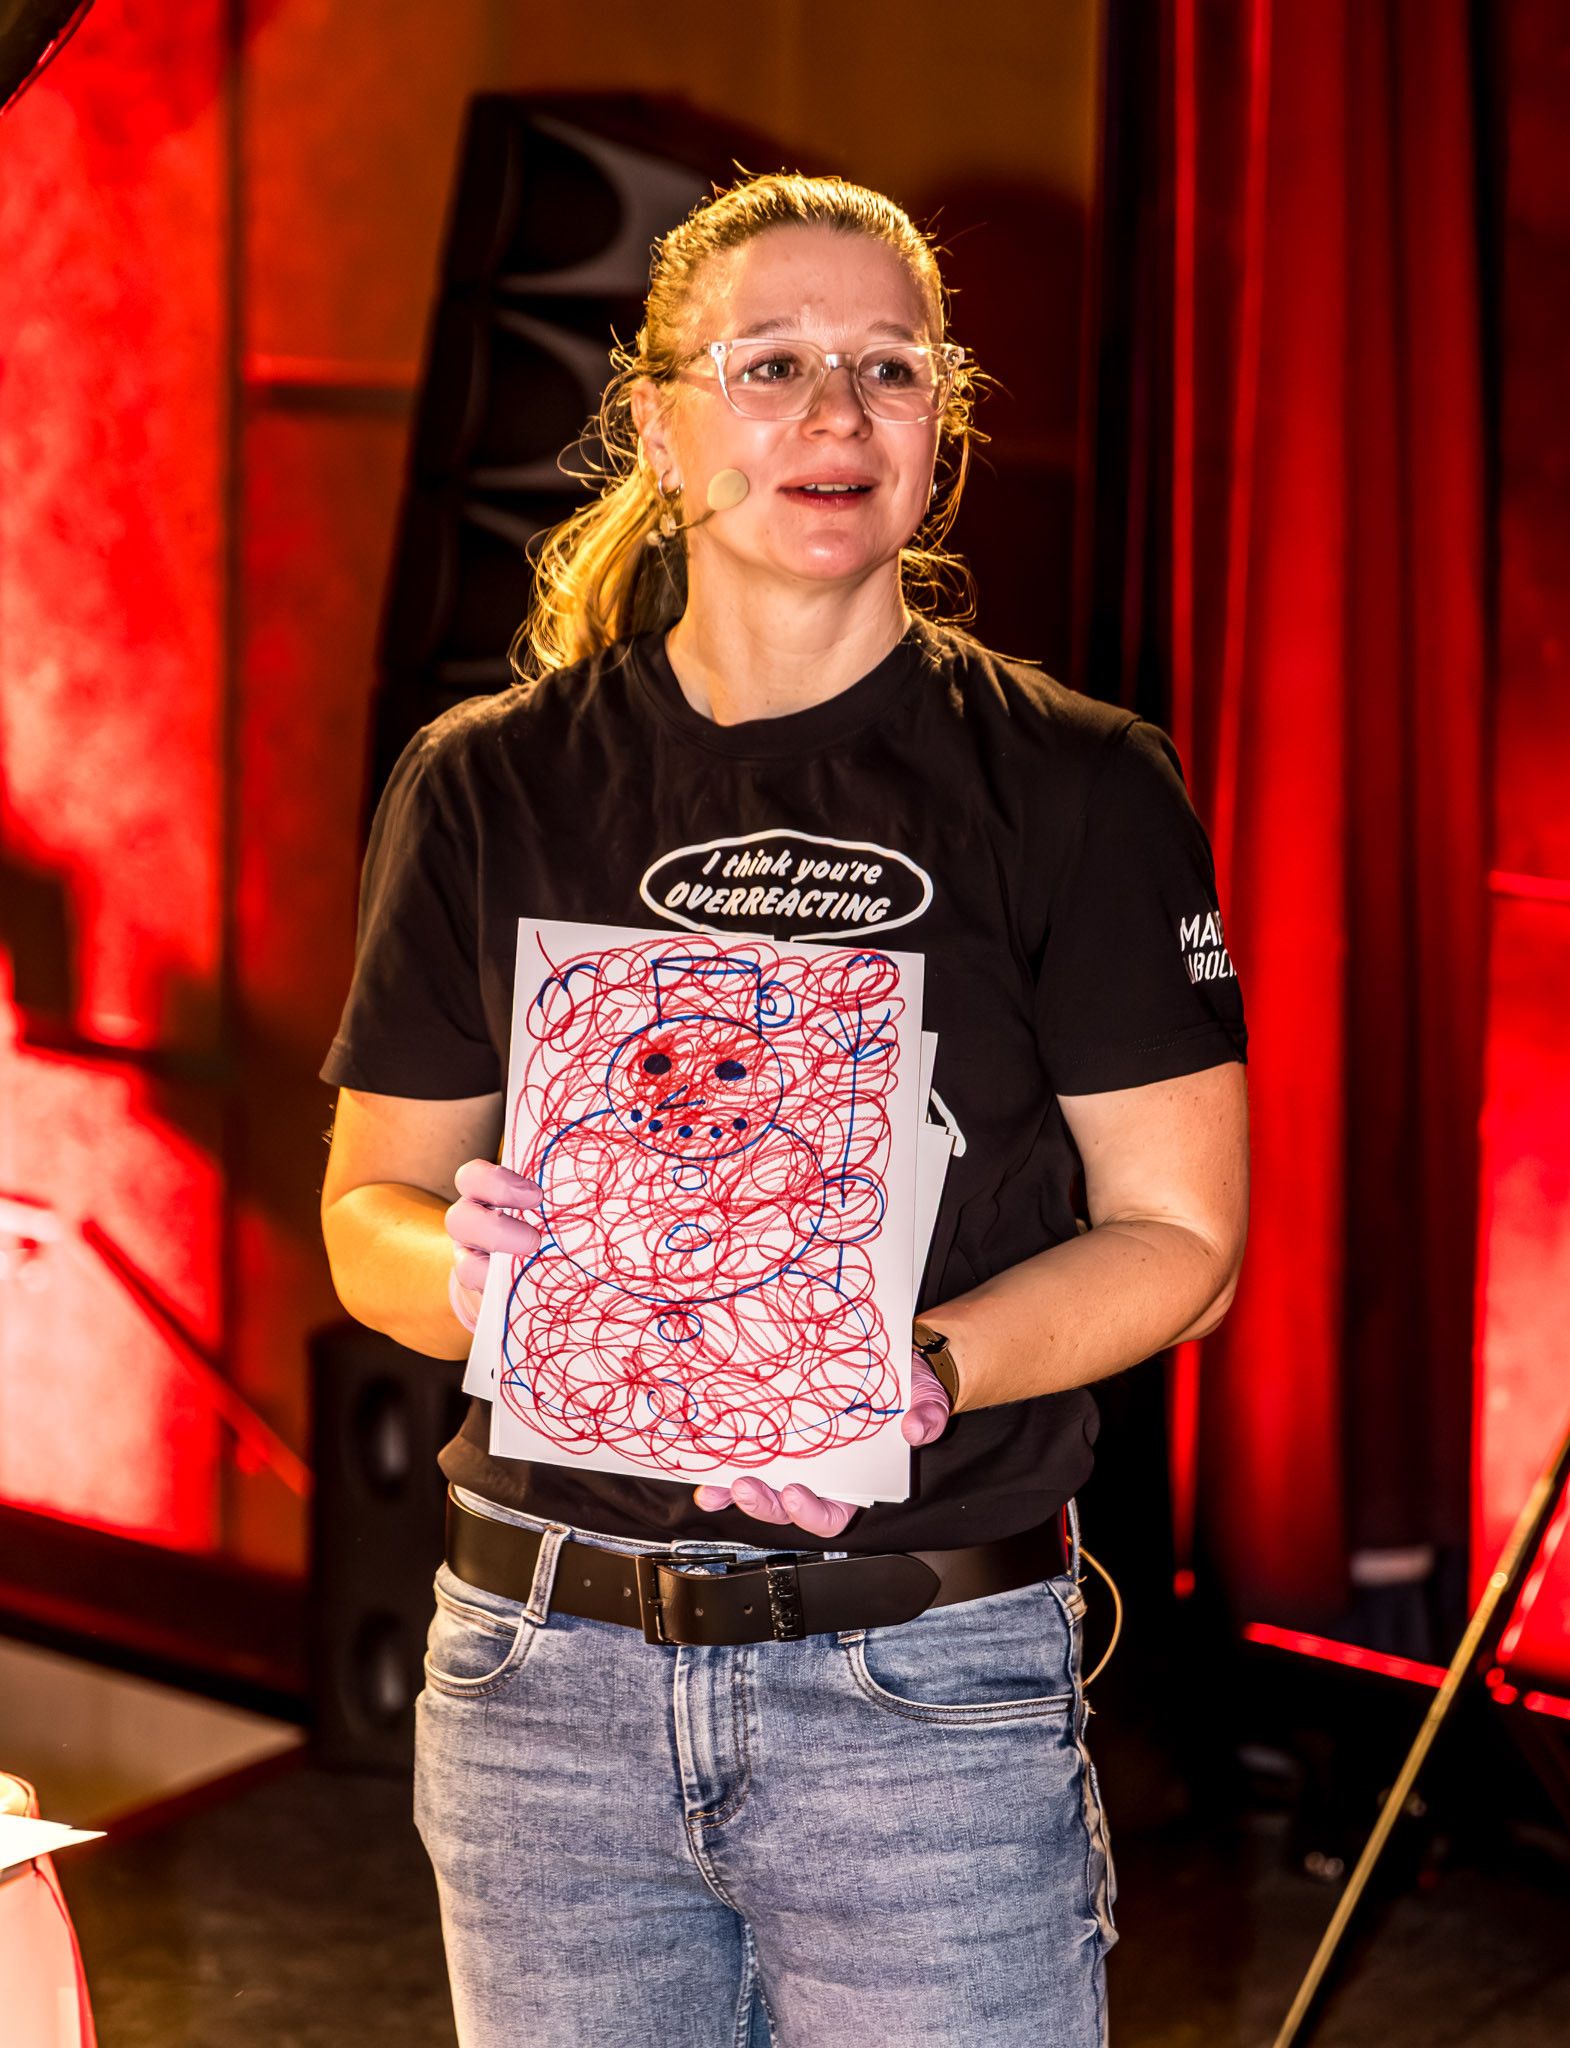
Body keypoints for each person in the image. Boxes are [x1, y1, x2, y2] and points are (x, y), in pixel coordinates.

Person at [320, 171, 1248, 2048]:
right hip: (539, 1681)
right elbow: (366, 1220)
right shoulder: (487, 784)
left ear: (940, 431)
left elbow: (1182, 1242)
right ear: (656, 422)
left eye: (889, 368)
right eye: (770, 365)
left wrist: (917, 1375)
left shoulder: (1077, 786)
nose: (836, 412)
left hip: (922, 1678)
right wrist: (481, 1281)